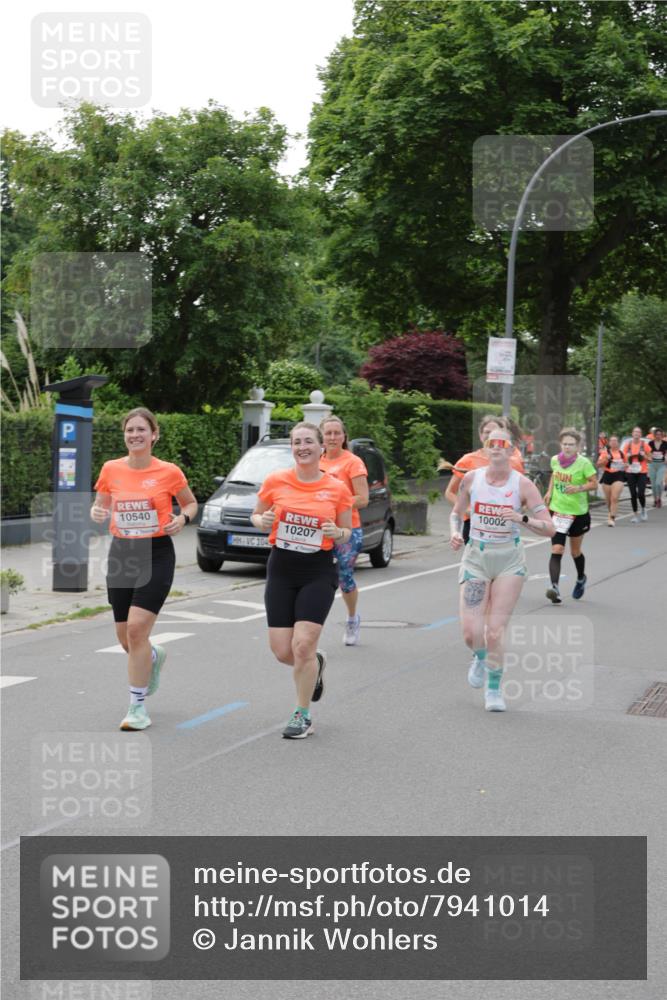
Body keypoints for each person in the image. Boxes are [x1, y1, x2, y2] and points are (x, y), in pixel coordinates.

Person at [91, 407, 198, 731]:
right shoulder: (111, 469)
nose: (135, 435)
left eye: (141, 430)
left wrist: (182, 519)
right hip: (122, 553)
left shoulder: (169, 472)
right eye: (129, 430)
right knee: (126, 638)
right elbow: (101, 504)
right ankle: (152, 658)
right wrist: (97, 512)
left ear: (154, 434)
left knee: (137, 630)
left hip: (156, 553)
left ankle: (137, 707)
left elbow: (190, 503)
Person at [251, 422, 353, 739]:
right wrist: (262, 520)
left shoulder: (337, 488)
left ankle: (302, 713)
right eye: (297, 442)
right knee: (284, 651)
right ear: (291, 448)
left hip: (317, 569)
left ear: (322, 447)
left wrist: (337, 533)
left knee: (303, 643)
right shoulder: (275, 481)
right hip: (281, 567)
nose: (302, 447)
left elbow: (346, 531)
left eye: (309, 441)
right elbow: (257, 515)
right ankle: (316, 664)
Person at [450, 429, 555, 712]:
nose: (496, 447)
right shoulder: (472, 479)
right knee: (471, 633)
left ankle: (494, 689)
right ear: (485, 450)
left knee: (495, 630)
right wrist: (455, 533)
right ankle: (481, 657)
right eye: (490, 443)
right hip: (476, 558)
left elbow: (550, 529)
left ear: (512, 451)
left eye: (502, 444)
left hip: (509, 559)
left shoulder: (523, 485)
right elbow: (456, 513)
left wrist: (521, 518)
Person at [319, 416, 369, 646]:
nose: (332, 437)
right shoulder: (315, 461)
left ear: (344, 436)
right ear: (321, 436)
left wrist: (335, 502)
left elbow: (363, 498)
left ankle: (351, 618)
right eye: (328, 433)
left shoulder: (353, 462)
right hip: (317, 528)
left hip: (348, 528)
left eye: (336, 433)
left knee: (344, 577)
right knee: (316, 577)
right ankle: (312, 623)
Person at [445, 414, 525, 545]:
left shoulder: (512, 461)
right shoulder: (467, 460)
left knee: (501, 562)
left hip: (502, 523)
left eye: (494, 432)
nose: (489, 436)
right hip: (473, 523)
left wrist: (518, 510)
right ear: (480, 435)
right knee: (476, 563)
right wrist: (466, 509)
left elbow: (523, 494)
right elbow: (450, 492)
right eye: (486, 432)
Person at [544, 428, 598, 604]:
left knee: (575, 552)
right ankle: (555, 588)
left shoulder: (584, 463)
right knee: (557, 549)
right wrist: (549, 491)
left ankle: (581, 578)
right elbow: (554, 475)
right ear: (560, 444)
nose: (567, 447)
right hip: (558, 510)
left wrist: (579, 488)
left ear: (578, 446)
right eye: (565, 444)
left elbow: (594, 483)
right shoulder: (555, 460)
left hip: (577, 513)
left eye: (571, 445)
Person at [622, 426, 651, 522]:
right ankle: (635, 515)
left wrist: (645, 456)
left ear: (641, 434)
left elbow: (650, 460)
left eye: (638, 432)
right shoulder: (628, 444)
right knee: (633, 494)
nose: (637, 434)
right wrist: (626, 459)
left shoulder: (644, 445)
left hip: (642, 472)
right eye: (635, 432)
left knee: (641, 493)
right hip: (630, 472)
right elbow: (622, 458)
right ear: (632, 434)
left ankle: (643, 509)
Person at [596, 434, 626, 526]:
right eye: (612, 441)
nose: (613, 442)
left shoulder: (622, 453)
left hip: (619, 476)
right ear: (609, 443)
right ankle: (610, 513)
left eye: (615, 441)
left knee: (615, 497)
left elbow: (626, 464)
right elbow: (598, 465)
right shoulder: (605, 453)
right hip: (608, 475)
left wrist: (626, 466)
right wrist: (606, 459)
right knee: (608, 500)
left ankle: (612, 518)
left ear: (618, 443)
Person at [648, 428, 667, 508]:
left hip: (661, 464)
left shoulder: (665, 443)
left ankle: (659, 498)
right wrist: (649, 457)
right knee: (653, 484)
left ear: (662, 435)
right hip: (652, 465)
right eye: (657, 434)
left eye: (660, 435)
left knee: (658, 483)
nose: (658, 436)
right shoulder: (650, 443)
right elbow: (647, 452)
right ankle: (655, 500)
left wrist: (666, 457)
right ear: (654, 435)